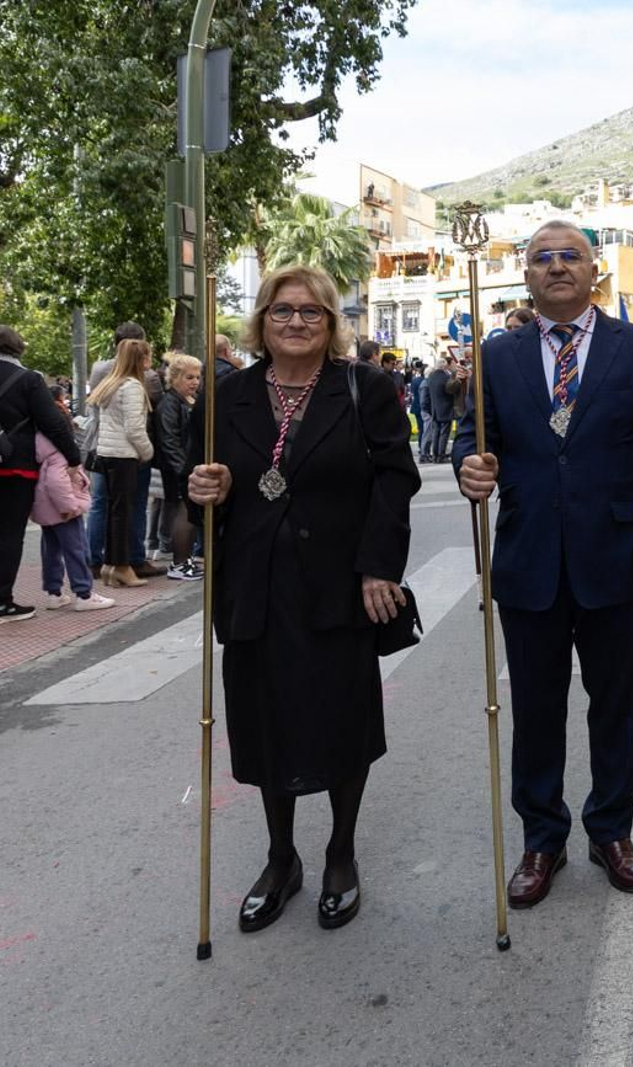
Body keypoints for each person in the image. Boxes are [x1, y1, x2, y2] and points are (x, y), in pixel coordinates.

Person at [455, 221, 633, 908]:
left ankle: (611, 829)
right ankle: (541, 837)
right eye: (541, 258)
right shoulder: (497, 356)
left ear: (594, 271)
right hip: (528, 560)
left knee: (616, 705)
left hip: (615, 561)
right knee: (536, 708)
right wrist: (471, 463)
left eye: (570, 257)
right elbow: (474, 435)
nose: (556, 267)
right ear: (525, 276)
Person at [187, 265, 420, 933]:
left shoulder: (364, 387)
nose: (296, 321)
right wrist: (206, 489)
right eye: (283, 310)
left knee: (342, 721)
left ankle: (340, 852)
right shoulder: (225, 394)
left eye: (311, 311)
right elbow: (195, 485)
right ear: (262, 320)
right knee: (264, 722)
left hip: (338, 583)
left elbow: (395, 479)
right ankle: (281, 856)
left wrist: (380, 566)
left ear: (330, 322)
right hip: (254, 586)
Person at [1, 325, 86, 622]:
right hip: (15, 466)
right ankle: (3, 601)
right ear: (17, 348)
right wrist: (73, 458)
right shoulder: (29, 380)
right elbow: (51, 421)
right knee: (9, 532)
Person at [32, 386, 114, 611]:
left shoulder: (39, 447)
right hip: (63, 510)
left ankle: (53, 592)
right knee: (76, 549)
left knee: (50, 551)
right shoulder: (59, 453)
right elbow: (56, 482)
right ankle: (84, 593)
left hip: (44, 509)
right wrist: (69, 506)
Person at [87, 338, 155, 589]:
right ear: (140, 359)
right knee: (123, 513)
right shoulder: (133, 387)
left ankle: (109, 565)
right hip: (124, 456)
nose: (151, 362)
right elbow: (135, 429)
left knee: (112, 512)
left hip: (106, 454)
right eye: (147, 356)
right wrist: (148, 452)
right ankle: (123, 567)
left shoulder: (110, 384)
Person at [156, 353, 203, 580]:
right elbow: (169, 440)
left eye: (197, 377)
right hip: (179, 469)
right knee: (183, 513)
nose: (195, 381)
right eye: (189, 377)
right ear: (175, 378)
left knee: (190, 514)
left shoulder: (188, 400)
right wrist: (184, 470)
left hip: (188, 466)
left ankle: (185, 561)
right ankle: (179, 563)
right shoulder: (170, 403)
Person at [424, 357, 455, 462]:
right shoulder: (446, 377)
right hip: (446, 408)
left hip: (435, 409)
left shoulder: (431, 376)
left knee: (436, 433)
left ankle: (435, 455)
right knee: (444, 433)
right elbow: (451, 391)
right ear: (444, 365)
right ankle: (441, 455)